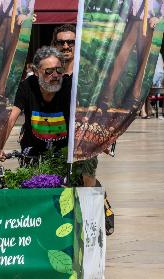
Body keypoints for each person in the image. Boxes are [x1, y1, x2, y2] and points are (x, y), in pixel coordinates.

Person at [0, 46, 70, 160]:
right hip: (32, 152)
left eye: (59, 70)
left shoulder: (69, 86)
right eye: (49, 71)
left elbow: (85, 115)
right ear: (37, 72)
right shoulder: (26, 86)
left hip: (63, 153)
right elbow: (10, 118)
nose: (56, 75)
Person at [52, 24, 98, 187]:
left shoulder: (89, 74)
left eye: (70, 42)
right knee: (56, 184)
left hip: (83, 137)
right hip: (54, 137)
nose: (66, 46)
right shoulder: (49, 74)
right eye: (61, 42)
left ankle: (90, 211)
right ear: (55, 45)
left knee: (86, 180)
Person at [99, 0, 164, 111]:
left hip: (150, 23)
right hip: (132, 21)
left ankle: (135, 97)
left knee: (144, 61)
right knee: (120, 57)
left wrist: (160, 17)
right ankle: (107, 96)